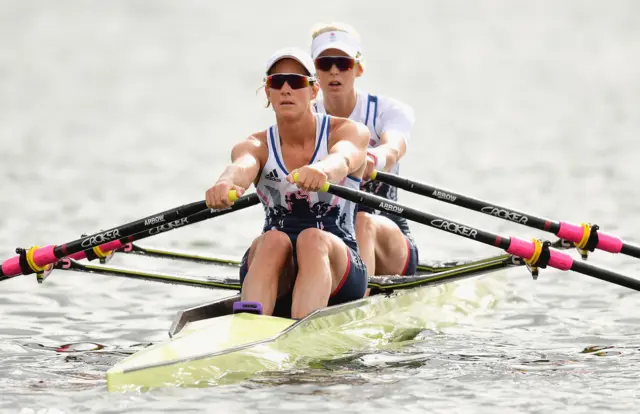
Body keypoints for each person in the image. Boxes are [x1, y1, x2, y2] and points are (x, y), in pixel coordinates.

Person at [205, 47, 370, 319]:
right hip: (276, 269)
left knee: (312, 239)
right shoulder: (255, 144)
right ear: (267, 93)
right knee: (272, 240)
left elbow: (344, 158)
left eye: (295, 82)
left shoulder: (347, 131)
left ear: (314, 91)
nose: (285, 89)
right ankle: (249, 328)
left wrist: (322, 171)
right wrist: (225, 183)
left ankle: (301, 329)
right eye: (275, 82)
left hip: (340, 270)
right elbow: (240, 168)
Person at [310, 23, 419, 280]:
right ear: (315, 71)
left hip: (387, 238)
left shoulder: (387, 110)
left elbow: (393, 148)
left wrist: (372, 158)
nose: (334, 70)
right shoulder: (306, 116)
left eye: (343, 63)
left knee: (362, 221)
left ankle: (359, 299)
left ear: (358, 68)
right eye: (325, 63)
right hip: (327, 235)